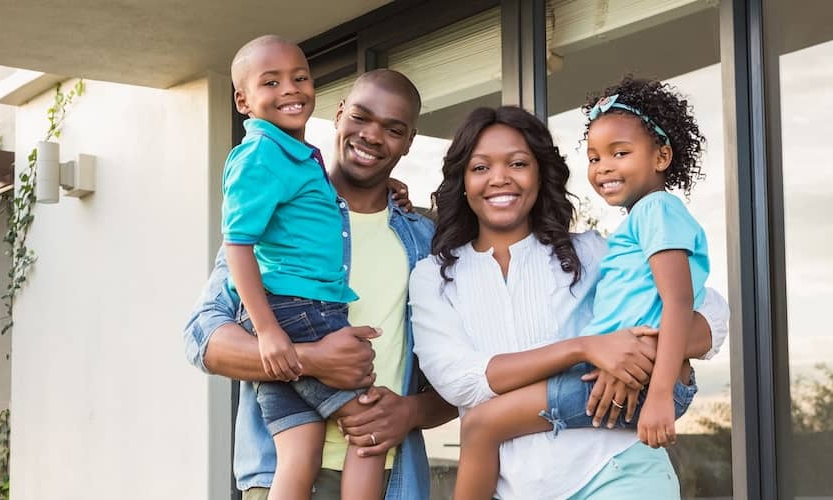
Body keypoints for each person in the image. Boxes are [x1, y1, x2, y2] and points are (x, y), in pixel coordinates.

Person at [409, 105, 729, 499]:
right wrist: (584, 348)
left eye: (518, 163)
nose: (499, 178)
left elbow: (712, 312)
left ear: (540, 175)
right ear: (462, 179)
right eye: (480, 168)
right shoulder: (434, 277)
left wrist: (641, 346)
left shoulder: (590, 252)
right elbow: (462, 382)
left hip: (619, 471)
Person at [184, 68, 457, 500]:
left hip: (390, 479)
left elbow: (461, 375)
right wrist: (312, 359)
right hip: (281, 476)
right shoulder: (278, 217)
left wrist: (409, 412)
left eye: (393, 129)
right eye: (361, 117)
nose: (371, 136)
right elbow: (203, 340)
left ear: (409, 142)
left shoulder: (426, 242)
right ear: (339, 114)